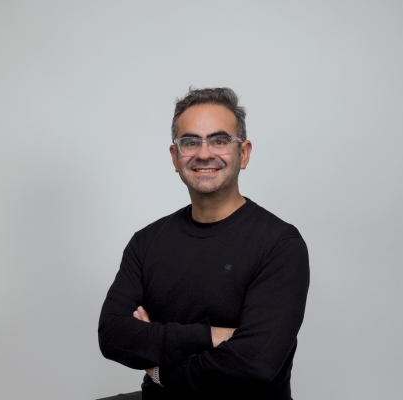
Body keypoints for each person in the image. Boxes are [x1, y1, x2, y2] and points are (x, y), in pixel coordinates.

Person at [98, 87, 309, 400]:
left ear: (245, 153)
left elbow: (255, 362)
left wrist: (161, 369)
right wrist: (212, 335)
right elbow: (113, 336)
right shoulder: (147, 242)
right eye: (190, 142)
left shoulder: (280, 244)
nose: (205, 153)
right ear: (175, 156)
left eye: (220, 140)